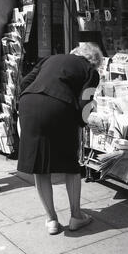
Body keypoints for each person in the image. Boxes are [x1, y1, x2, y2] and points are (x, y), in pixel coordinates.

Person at [17, 42, 102, 235]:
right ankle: (76, 217)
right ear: (94, 62)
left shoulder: (50, 59)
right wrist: (84, 122)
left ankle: (51, 220)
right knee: (70, 164)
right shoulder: (90, 71)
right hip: (60, 107)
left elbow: (24, 83)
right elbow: (85, 102)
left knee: (39, 165)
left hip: (28, 103)